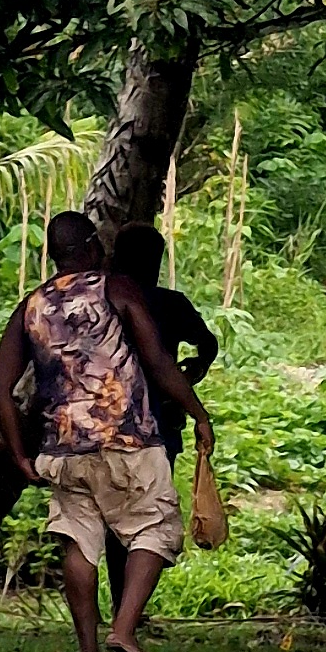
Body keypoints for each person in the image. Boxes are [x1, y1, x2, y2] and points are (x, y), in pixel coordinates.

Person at [0, 208, 194, 652]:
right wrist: (198, 413)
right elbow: (159, 361)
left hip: (62, 449)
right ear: (88, 248)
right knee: (156, 528)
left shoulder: (32, 305)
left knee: (79, 544)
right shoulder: (115, 289)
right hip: (128, 439)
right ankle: (123, 631)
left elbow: (1, 387)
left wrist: (20, 453)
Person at [107, 221, 220, 612]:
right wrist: (191, 374)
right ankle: (129, 613)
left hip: (100, 424)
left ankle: (120, 603)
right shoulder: (170, 303)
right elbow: (208, 344)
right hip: (158, 424)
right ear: (156, 261)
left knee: (109, 522)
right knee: (148, 519)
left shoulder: (98, 300)